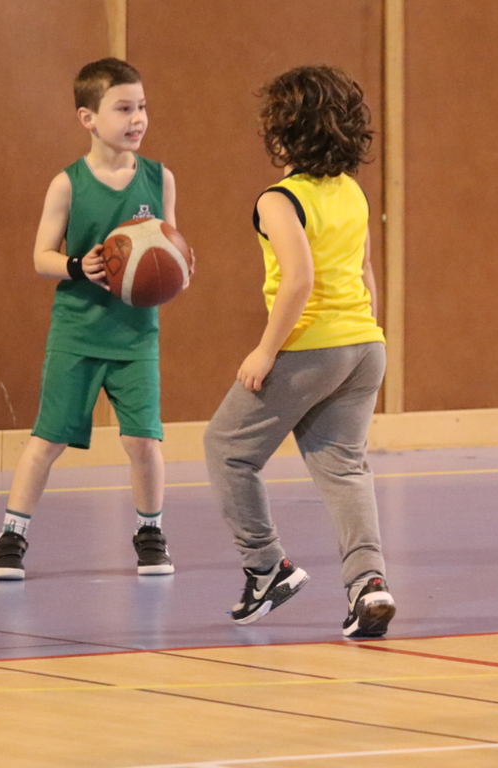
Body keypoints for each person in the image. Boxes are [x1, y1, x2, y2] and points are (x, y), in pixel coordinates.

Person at [204, 65, 394, 638]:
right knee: (345, 468)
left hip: (311, 347)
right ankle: (369, 584)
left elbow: (299, 281)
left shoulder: (279, 200)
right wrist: (363, 334)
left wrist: (266, 351)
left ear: (281, 131)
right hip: (365, 345)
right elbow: (365, 272)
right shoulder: (352, 191)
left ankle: (267, 568)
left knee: (226, 449)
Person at [0, 58, 186, 580]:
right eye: (123, 108)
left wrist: (177, 269)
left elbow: (169, 245)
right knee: (48, 438)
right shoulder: (67, 184)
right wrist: (79, 265)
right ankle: (10, 537)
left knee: (144, 441)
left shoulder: (159, 178)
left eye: (142, 107)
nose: (137, 118)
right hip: (77, 332)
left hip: (136, 336)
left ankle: (151, 533)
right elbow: (41, 257)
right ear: (87, 118)